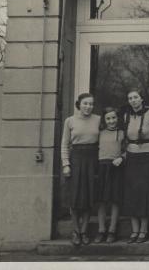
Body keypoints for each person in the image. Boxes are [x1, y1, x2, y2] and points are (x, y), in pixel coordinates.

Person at [122, 89, 149, 243]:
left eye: (135, 97)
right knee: (132, 193)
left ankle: (144, 230)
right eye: (130, 98)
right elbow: (124, 139)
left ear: (141, 99)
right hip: (132, 158)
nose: (133, 100)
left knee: (145, 193)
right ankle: (134, 230)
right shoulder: (126, 116)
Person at [61, 93, 101, 246]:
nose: (88, 107)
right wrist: (66, 164)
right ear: (79, 104)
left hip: (93, 160)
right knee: (75, 198)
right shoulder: (70, 121)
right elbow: (64, 144)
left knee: (88, 198)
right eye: (85, 103)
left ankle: (84, 231)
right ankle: (75, 231)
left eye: (91, 104)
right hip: (75, 159)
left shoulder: (98, 120)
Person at [94, 107, 125, 244]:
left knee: (114, 199)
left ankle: (112, 230)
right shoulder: (99, 134)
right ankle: (101, 230)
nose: (111, 121)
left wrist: (122, 158)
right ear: (104, 120)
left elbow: (128, 149)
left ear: (117, 119)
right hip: (102, 167)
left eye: (113, 118)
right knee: (101, 200)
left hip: (116, 167)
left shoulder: (122, 133)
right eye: (108, 118)